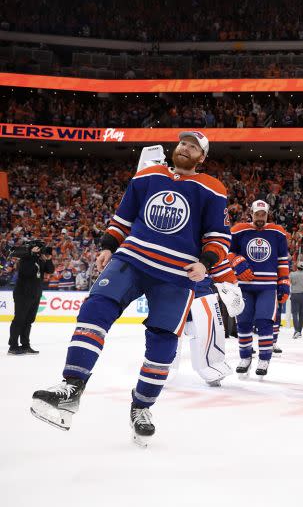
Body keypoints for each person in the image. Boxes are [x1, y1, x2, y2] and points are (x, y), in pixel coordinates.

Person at [30, 130, 230, 446]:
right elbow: (123, 217)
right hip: (132, 258)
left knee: (163, 345)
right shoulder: (147, 175)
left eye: (193, 146)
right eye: (182, 143)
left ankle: (142, 406)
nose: (185, 147)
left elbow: (219, 236)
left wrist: (206, 263)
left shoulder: (213, 188)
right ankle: (71, 387)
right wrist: (109, 244)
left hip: (177, 274)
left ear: (202, 157)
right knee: (95, 307)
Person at [230, 199, 291, 377]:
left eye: (263, 215)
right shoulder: (239, 230)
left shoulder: (277, 233)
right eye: (257, 214)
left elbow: (282, 260)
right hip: (245, 286)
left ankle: (264, 359)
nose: (260, 218)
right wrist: (237, 262)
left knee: (265, 322)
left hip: (268, 286)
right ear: (252, 213)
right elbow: (227, 251)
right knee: (244, 323)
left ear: (267, 215)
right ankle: (245, 358)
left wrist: (284, 282)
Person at [8, 244, 54, 355]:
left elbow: (50, 270)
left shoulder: (40, 260)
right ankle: (13, 346)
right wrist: (32, 255)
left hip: (35, 293)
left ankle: (25, 345)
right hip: (23, 293)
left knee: (29, 320)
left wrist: (48, 259)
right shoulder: (25, 259)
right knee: (19, 319)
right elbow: (27, 272)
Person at [288, 262, 303, 339]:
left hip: (294, 294)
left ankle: (296, 330)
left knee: (294, 313)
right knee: (301, 314)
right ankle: (299, 331)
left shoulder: (292, 274)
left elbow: (289, 282)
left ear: (296, 267)